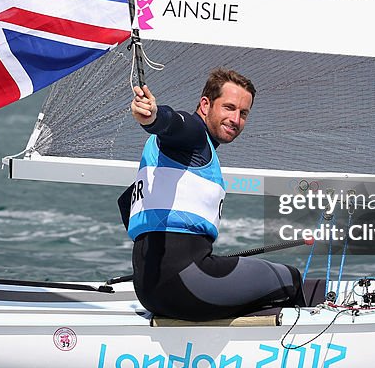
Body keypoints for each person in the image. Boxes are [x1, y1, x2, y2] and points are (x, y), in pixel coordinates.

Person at [121, 68, 305, 321]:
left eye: (243, 113)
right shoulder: (193, 136)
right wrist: (154, 118)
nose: (236, 119)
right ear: (205, 105)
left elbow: (128, 205)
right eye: (229, 107)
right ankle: (301, 345)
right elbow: (175, 124)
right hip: (189, 285)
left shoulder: (163, 156)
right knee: (290, 278)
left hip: (148, 289)